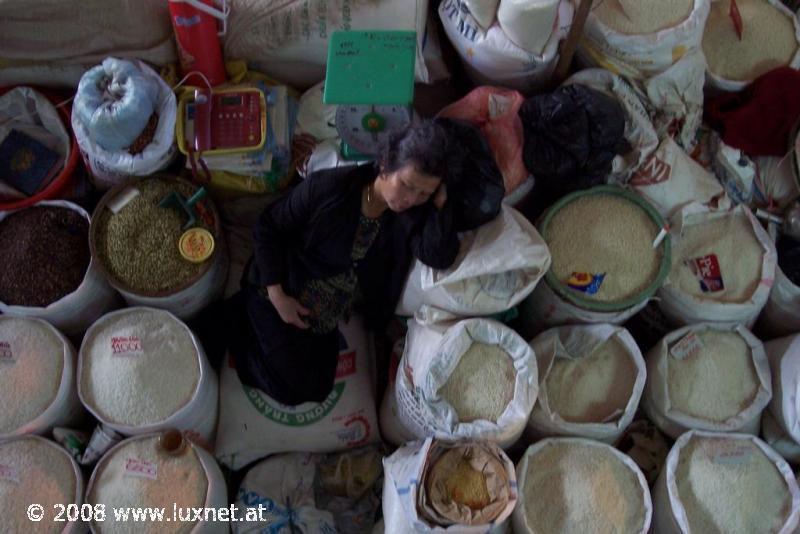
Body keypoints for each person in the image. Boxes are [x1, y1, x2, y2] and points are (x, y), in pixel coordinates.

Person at [229, 119, 460, 405]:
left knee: (320, 387)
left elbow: (439, 255)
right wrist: (278, 297)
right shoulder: (329, 189)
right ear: (386, 166)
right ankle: (237, 314)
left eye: (424, 193)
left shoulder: (407, 217)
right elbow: (267, 227)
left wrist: (440, 204)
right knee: (291, 389)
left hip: (323, 310)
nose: (411, 199)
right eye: (407, 185)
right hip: (283, 287)